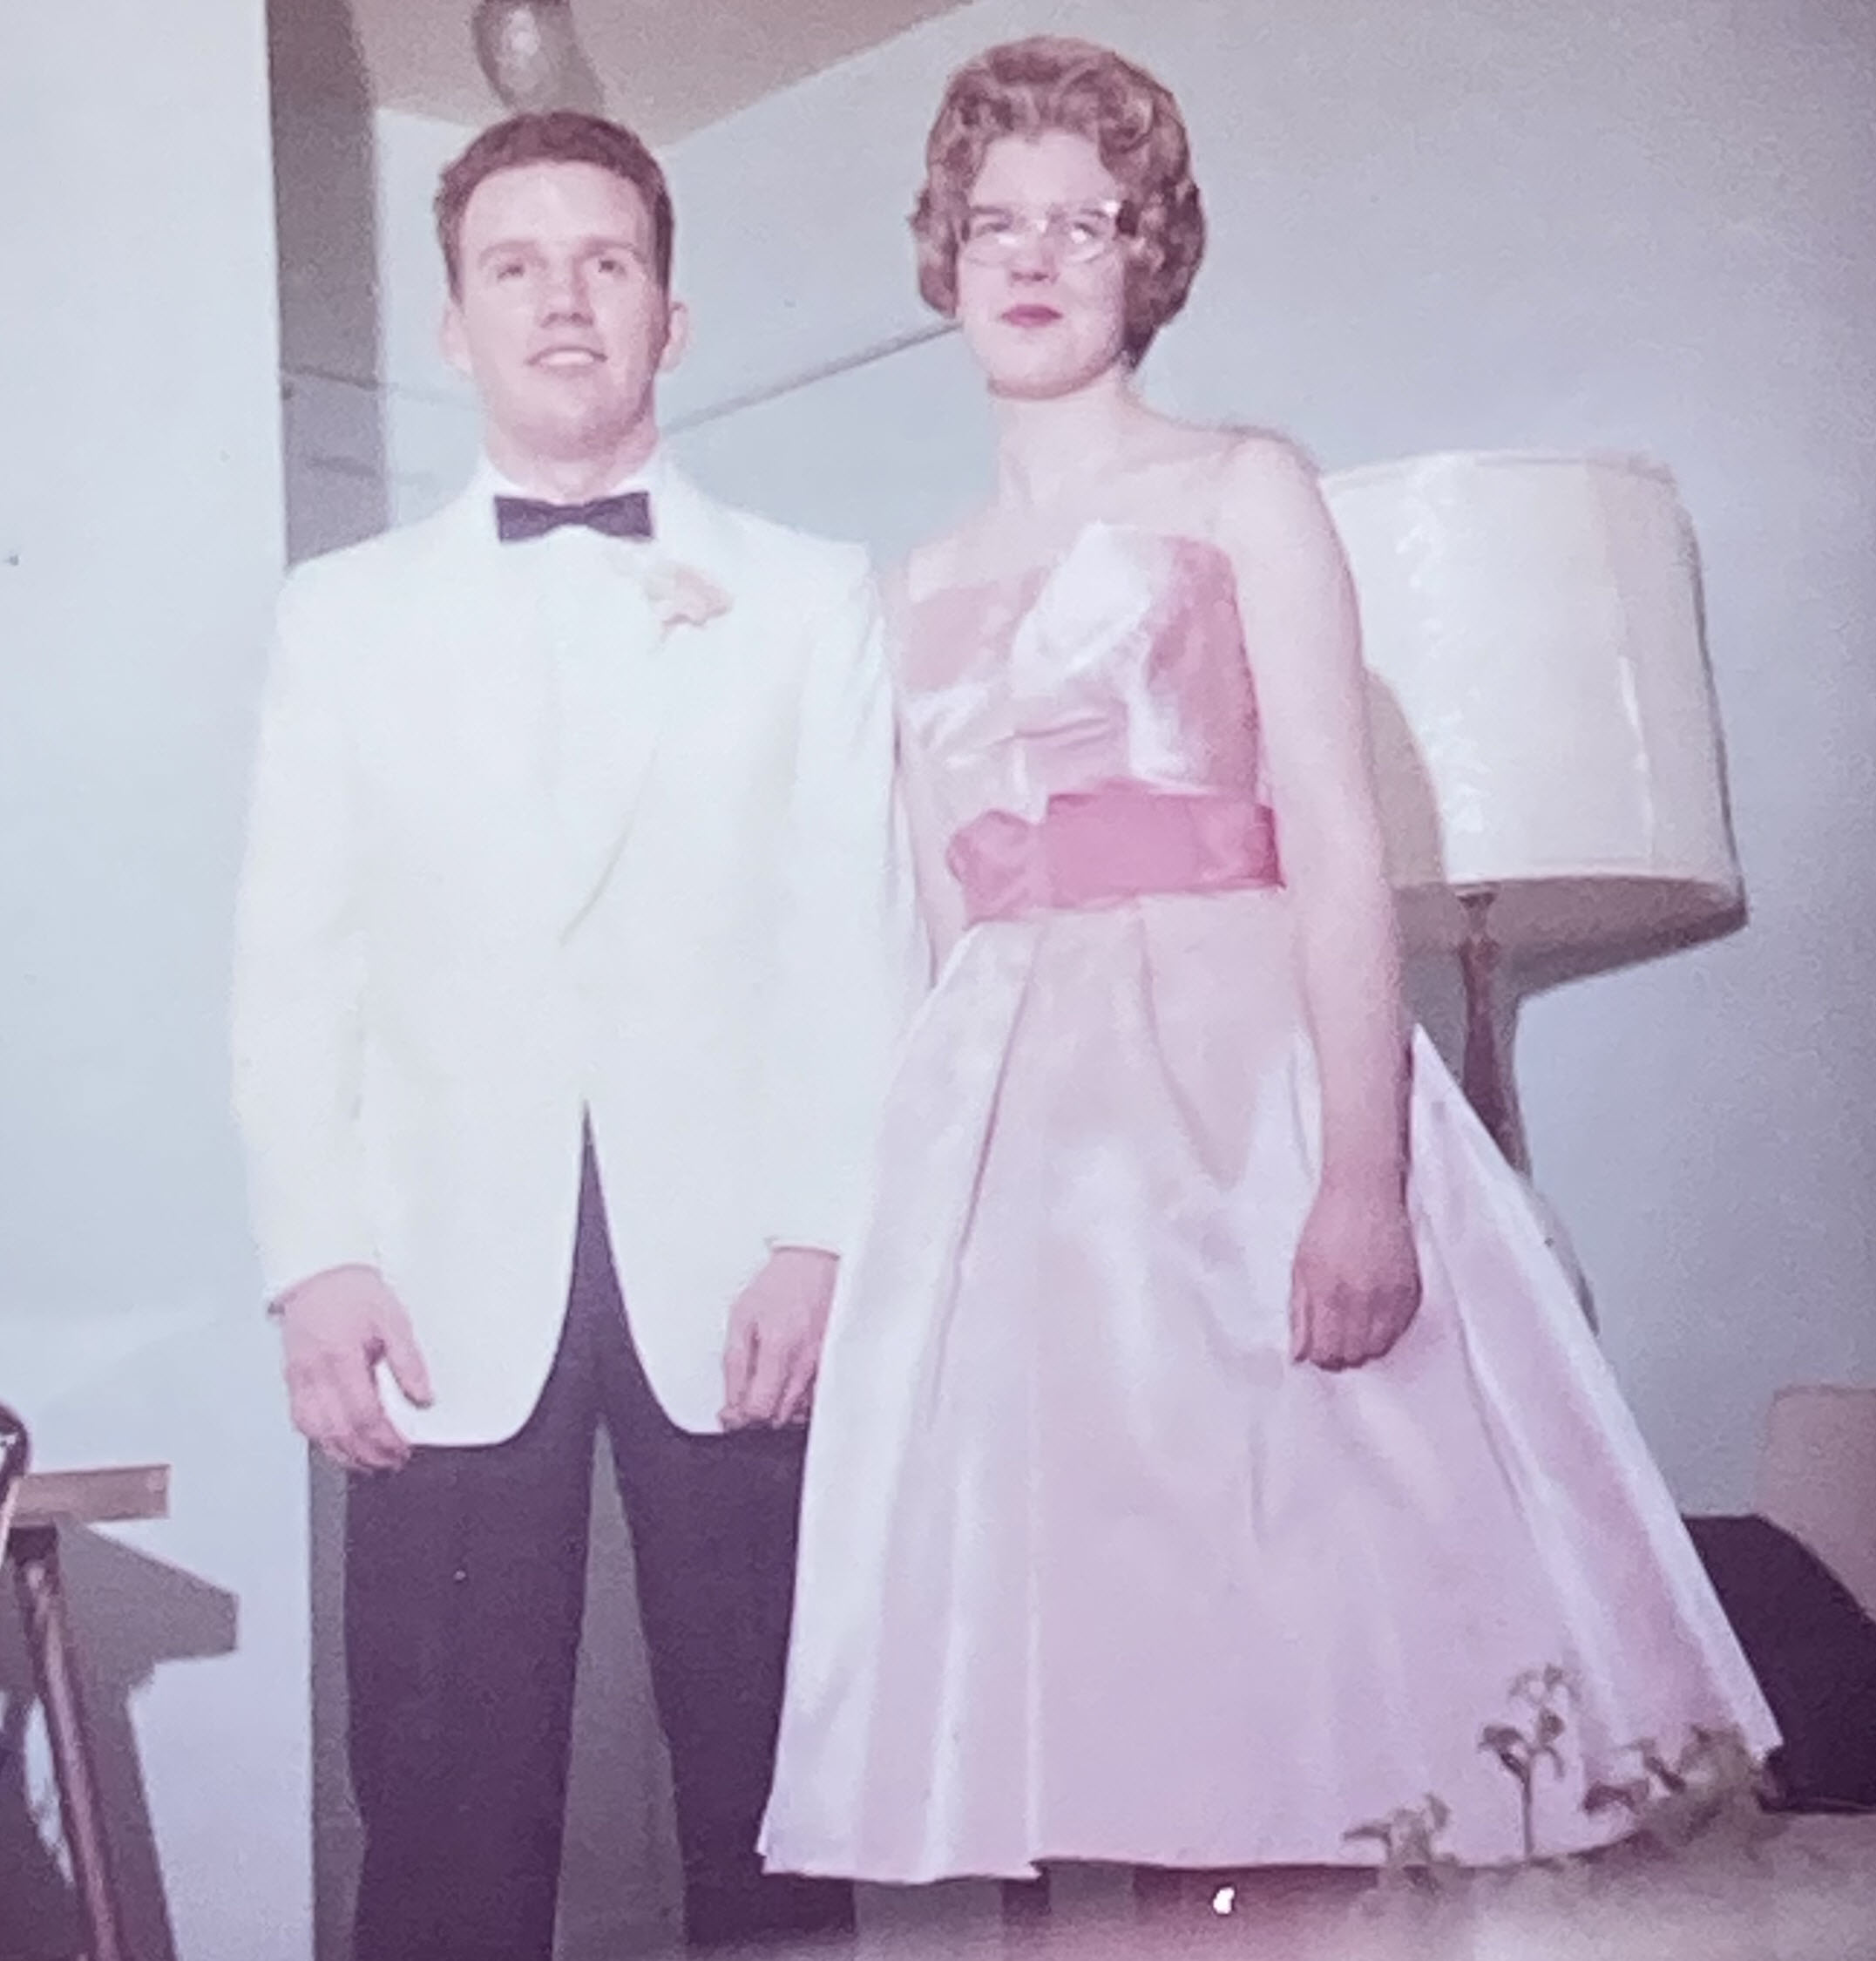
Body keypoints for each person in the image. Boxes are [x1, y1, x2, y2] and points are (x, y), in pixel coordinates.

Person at [759, 36, 1778, 1910]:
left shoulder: (1245, 488)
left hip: (1234, 1101)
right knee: (1081, 1686)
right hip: (1013, 1159)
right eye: (997, 221)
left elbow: (1334, 839)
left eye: (1088, 218)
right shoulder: (905, 589)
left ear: (1151, 255)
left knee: (1302, 1661)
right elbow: (929, 925)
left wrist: (1365, 1181)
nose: (1037, 252)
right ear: (945, 255)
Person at [232, 111, 920, 1957]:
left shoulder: (808, 597)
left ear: (669, 316)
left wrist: (825, 1232)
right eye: (514, 265)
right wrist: (316, 1260)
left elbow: (860, 937)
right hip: (446, 1270)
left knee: (779, 1792)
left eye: (605, 261)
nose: (562, 300)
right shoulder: (343, 619)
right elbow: (296, 960)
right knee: (444, 1790)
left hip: (745, 1276)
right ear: (453, 324)